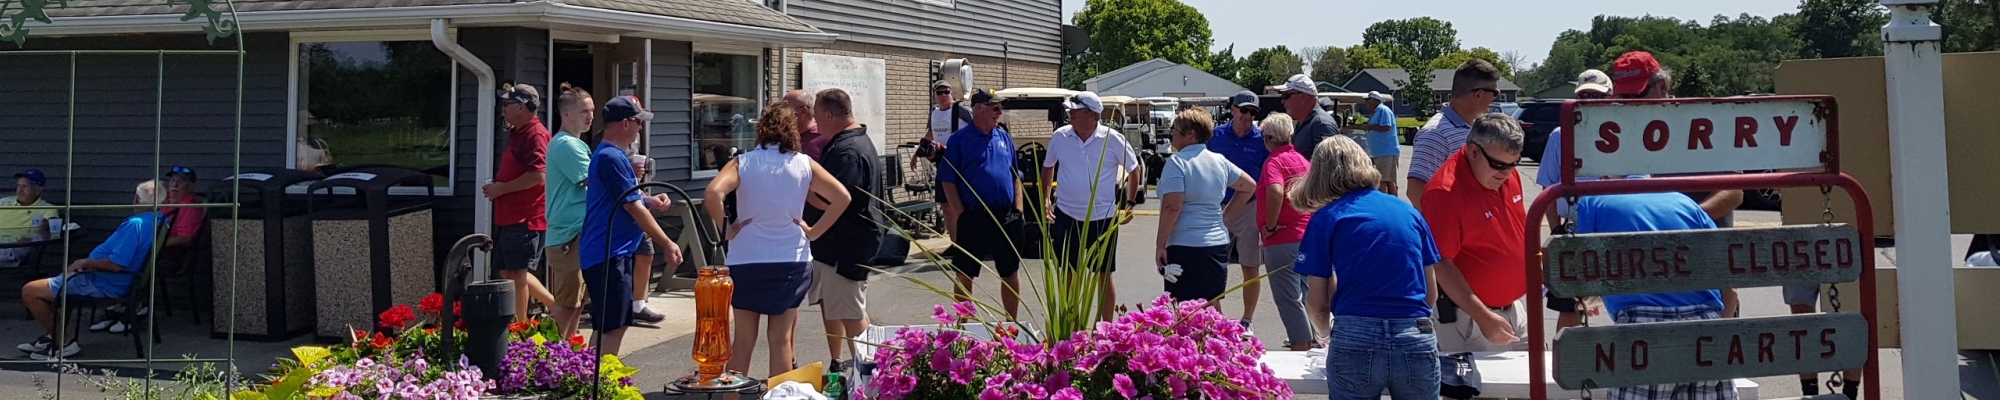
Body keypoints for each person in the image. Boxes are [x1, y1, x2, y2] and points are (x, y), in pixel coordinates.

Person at [704, 99, 853, 377]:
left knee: (744, 341)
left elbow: (713, 193)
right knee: (781, 340)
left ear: (761, 129)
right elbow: (842, 197)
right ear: (792, 130)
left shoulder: (742, 163)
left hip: (747, 260)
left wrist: (727, 229)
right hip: (790, 261)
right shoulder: (804, 164)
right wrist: (814, 232)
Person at [1292, 135, 1442, 399]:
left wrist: (1325, 336)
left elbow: (1316, 302)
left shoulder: (1327, 218)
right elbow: (1431, 294)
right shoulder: (1409, 213)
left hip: (1355, 335)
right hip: (1415, 334)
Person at [1571, 189, 1734, 400]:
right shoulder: (1684, 202)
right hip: (1706, 325)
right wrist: (1721, 328)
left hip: (1641, 329)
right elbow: (1729, 284)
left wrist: (1590, 298)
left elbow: (1579, 275)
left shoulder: (1593, 203)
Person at [18, 181, 164, 360]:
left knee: (31, 291)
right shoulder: (160, 219)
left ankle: (65, 342)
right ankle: (53, 336)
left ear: (137, 200)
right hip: (123, 280)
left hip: (105, 281)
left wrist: (85, 262)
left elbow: (116, 265)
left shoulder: (136, 225)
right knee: (64, 281)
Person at [582, 95, 682, 355]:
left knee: (616, 323)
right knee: (610, 327)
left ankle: (600, 379)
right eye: (638, 122)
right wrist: (667, 242)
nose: (640, 128)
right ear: (625, 124)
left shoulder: (614, 156)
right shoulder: (610, 158)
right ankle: (599, 384)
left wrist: (650, 200)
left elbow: (630, 199)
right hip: (607, 253)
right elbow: (631, 207)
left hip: (615, 252)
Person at [1421, 113, 1527, 353]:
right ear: (1473, 151)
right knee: (1480, 391)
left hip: (1511, 309)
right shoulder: (1445, 193)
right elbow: (1440, 263)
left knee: (1532, 387)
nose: (1506, 173)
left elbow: (1516, 236)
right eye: (1498, 164)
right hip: (1470, 317)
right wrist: (1482, 316)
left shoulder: (1504, 176)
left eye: (1513, 164)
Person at [1039, 91, 1143, 321]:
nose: (1070, 114)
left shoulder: (1112, 139)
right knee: (1068, 275)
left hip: (1103, 218)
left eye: (1075, 111)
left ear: (1092, 115)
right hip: (1066, 215)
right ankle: (1072, 328)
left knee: (1104, 276)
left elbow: (1134, 169)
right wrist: (1046, 199)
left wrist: (1130, 202)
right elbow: (1048, 167)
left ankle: (1106, 329)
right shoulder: (1060, 136)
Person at [805, 89, 882, 369]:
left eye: (817, 117)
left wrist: (805, 191)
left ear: (829, 115)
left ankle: (872, 373)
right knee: (848, 309)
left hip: (846, 245)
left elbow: (833, 200)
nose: (816, 124)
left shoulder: (847, 151)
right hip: (848, 242)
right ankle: (866, 369)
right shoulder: (856, 140)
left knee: (852, 314)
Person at [1534, 68, 1613, 331]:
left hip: (1616, 226)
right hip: (1575, 229)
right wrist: (1556, 230)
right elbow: (1548, 187)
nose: (1590, 101)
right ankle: (1564, 362)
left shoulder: (1628, 135)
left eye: (1597, 96)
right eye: (1584, 95)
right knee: (1569, 304)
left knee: (1620, 300)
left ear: (1611, 97)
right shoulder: (1560, 135)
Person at [938, 88, 1026, 319]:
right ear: (978, 109)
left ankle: (1011, 325)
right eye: (995, 108)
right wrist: (961, 213)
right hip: (974, 216)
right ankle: (965, 325)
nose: (999, 112)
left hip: (1006, 216)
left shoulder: (1003, 136)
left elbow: (1015, 175)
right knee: (965, 273)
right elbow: (948, 180)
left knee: (1010, 272)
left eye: (1001, 108)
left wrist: (1018, 209)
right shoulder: (959, 140)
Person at [1154, 108, 1258, 304]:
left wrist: (1160, 244)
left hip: (1185, 244)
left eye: (1175, 129)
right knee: (1212, 304)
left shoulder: (1177, 162)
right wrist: (1224, 215)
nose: (1172, 134)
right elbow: (1249, 186)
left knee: (1183, 307)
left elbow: (1172, 207)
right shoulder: (1219, 161)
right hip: (1216, 244)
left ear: (1190, 134)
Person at [94, 166, 205, 333]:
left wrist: (153, 244)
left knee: (130, 260)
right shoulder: (163, 203)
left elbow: (185, 238)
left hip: (170, 258)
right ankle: (120, 304)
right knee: (119, 255)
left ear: (191, 187)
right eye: (172, 180)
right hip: (150, 251)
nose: (174, 185)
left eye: (180, 181)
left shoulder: (190, 207)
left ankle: (135, 306)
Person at [487, 83, 558, 323]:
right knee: (508, 271)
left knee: (517, 274)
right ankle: (556, 307)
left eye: (506, 104)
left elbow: (538, 175)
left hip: (526, 217)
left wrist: (501, 188)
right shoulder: (519, 132)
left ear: (520, 107)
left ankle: (520, 329)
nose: (503, 109)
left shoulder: (535, 134)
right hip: (510, 216)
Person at [1253, 113, 1316, 350]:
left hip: (1282, 239)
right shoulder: (1303, 161)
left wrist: (1269, 225)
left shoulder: (1274, 162)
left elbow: (1276, 191)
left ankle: (1302, 346)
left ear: (1268, 138)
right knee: (1305, 294)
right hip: (1305, 236)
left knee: (1288, 299)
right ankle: (1314, 343)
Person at [1209, 91, 1270, 327]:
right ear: (1233, 109)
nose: (1248, 116)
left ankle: (1247, 320)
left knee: (1250, 266)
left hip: (1248, 208)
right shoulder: (1215, 136)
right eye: (1244, 110)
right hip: (1217, 206)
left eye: (1253, 112)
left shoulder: (1261, 139)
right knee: (1213, 265)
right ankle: (1217, 319)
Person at [1407, 60, 1502, 208]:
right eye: (1495, 92)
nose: (1496, 97)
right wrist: (1448, 227)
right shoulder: (1435, 133)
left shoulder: (1477, 127)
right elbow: (1416, 191)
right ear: (1479, 94)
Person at [542, 83, 593, 338]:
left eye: (592, 111)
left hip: (575, 235)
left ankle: (566, 359)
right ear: (567, 114)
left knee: (577, 304)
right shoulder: (566, 145)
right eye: (584, 111)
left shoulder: (574, 143)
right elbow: (594, 180)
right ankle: (549, 360)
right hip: (567, 237)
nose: (590, 117)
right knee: (565, 305)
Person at [915, 81, 975, 238]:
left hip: (961, 162)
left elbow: (977, 128)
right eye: (939, 92)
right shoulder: (934, 112)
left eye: (946, 92)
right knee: (945, 204)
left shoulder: (961, 110)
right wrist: (916, 154)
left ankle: (967, 242)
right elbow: (930, 133)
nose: (943, 95)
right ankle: (954, 243)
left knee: (960, 204)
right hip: (942, 162)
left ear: (952, 94)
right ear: (934, 96)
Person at [1343, 91, 1403, 195]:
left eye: (1368, 100)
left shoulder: (1383, 110)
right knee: (1388, 180)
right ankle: (1392, 201)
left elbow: (1386, 127)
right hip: (1379, 151)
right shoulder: (1376, 112)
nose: (1366, 103)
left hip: (1386, 151)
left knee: (1383, 179)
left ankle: (1384, 203)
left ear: (1375, 101)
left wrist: (1368, 127)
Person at [1278, 74, 1342, 160]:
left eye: (1286, 96)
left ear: (1303, 97)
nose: (1282, 101)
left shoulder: (1321, 124)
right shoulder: (1305, 122)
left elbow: (1331, 167)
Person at [1, 169, 54, 265]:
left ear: (38, 190)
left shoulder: (46, 209)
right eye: (18, 186)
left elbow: (48, 230)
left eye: (24, 186)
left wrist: (32, 238)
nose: (19, 190)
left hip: (12, 246)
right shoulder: (4, 202)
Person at [787, 90, 828, 160]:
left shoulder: (824, 137)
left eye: (786, 108)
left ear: (803, 111)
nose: (781, 113)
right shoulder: (784, 136)